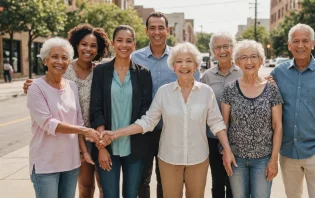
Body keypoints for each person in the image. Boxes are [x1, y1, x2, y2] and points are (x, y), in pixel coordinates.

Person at [100, 42, 235, 198]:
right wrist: (116, 133)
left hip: (198, 158)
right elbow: (148, 121)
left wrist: (226, 149)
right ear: (173, 67)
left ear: (196, 66)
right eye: (179, 61)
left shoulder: (206, 92)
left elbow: (217, 123)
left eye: (189, 61)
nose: (184, 65)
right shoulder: (164, 92)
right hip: (169, 158)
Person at [23, 23, 110, 198]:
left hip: (99, 135)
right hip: (74, 139)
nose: (88, 49)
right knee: (85, 188)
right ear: (76, 45)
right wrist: (33, 85)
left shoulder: (100, 71)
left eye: (93, 45)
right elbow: (48, 84)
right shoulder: (65, 69)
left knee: (105, 187)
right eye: (84, 44)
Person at [131, 12, 200, 198]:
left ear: (167, 30)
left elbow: (197, 88)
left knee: (166, 180)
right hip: (144, 129)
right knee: (142, 179)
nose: (157, 32)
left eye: (161, 27)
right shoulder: (135, 58)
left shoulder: (180, 58)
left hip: (172, 130)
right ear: (146, 31)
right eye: (152, 28)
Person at [271, 23, 315, 198]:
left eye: (305, 41)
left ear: (312, 44)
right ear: (289, 45)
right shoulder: (278, 73)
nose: (300, 45)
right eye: (296, 41)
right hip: (287, 152)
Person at [90, 25, 153, 198]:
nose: (123, 45)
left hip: (135, 147)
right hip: (107, 146)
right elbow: (96, 109)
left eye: (128, 41)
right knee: (110, 195)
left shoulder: (143, 74)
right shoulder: (101, 72)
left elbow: (145, 112)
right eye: (119, 40)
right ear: (112, 43)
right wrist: (101, 147)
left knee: (131, 194)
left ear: (134, 44)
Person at [221, 39, 283, 198]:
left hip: (263, 159)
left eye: (253, 57)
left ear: (261, 61)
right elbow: (224, 125)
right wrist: (226, 152)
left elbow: (277, 126)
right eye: (243, 57)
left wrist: (274, 159)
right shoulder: (230, 90)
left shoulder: (272, 90)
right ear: (237, 62)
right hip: (237, 159)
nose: (249, 61)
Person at [201, 32, 242, 198]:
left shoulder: (243, 73)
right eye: (218, 47)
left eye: (226, 46)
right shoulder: (207, 77)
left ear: (233, 48)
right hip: (212, 137)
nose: (223, 50)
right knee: (217, 181)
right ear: (213, 51)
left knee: (234, 181)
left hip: (238, 138)